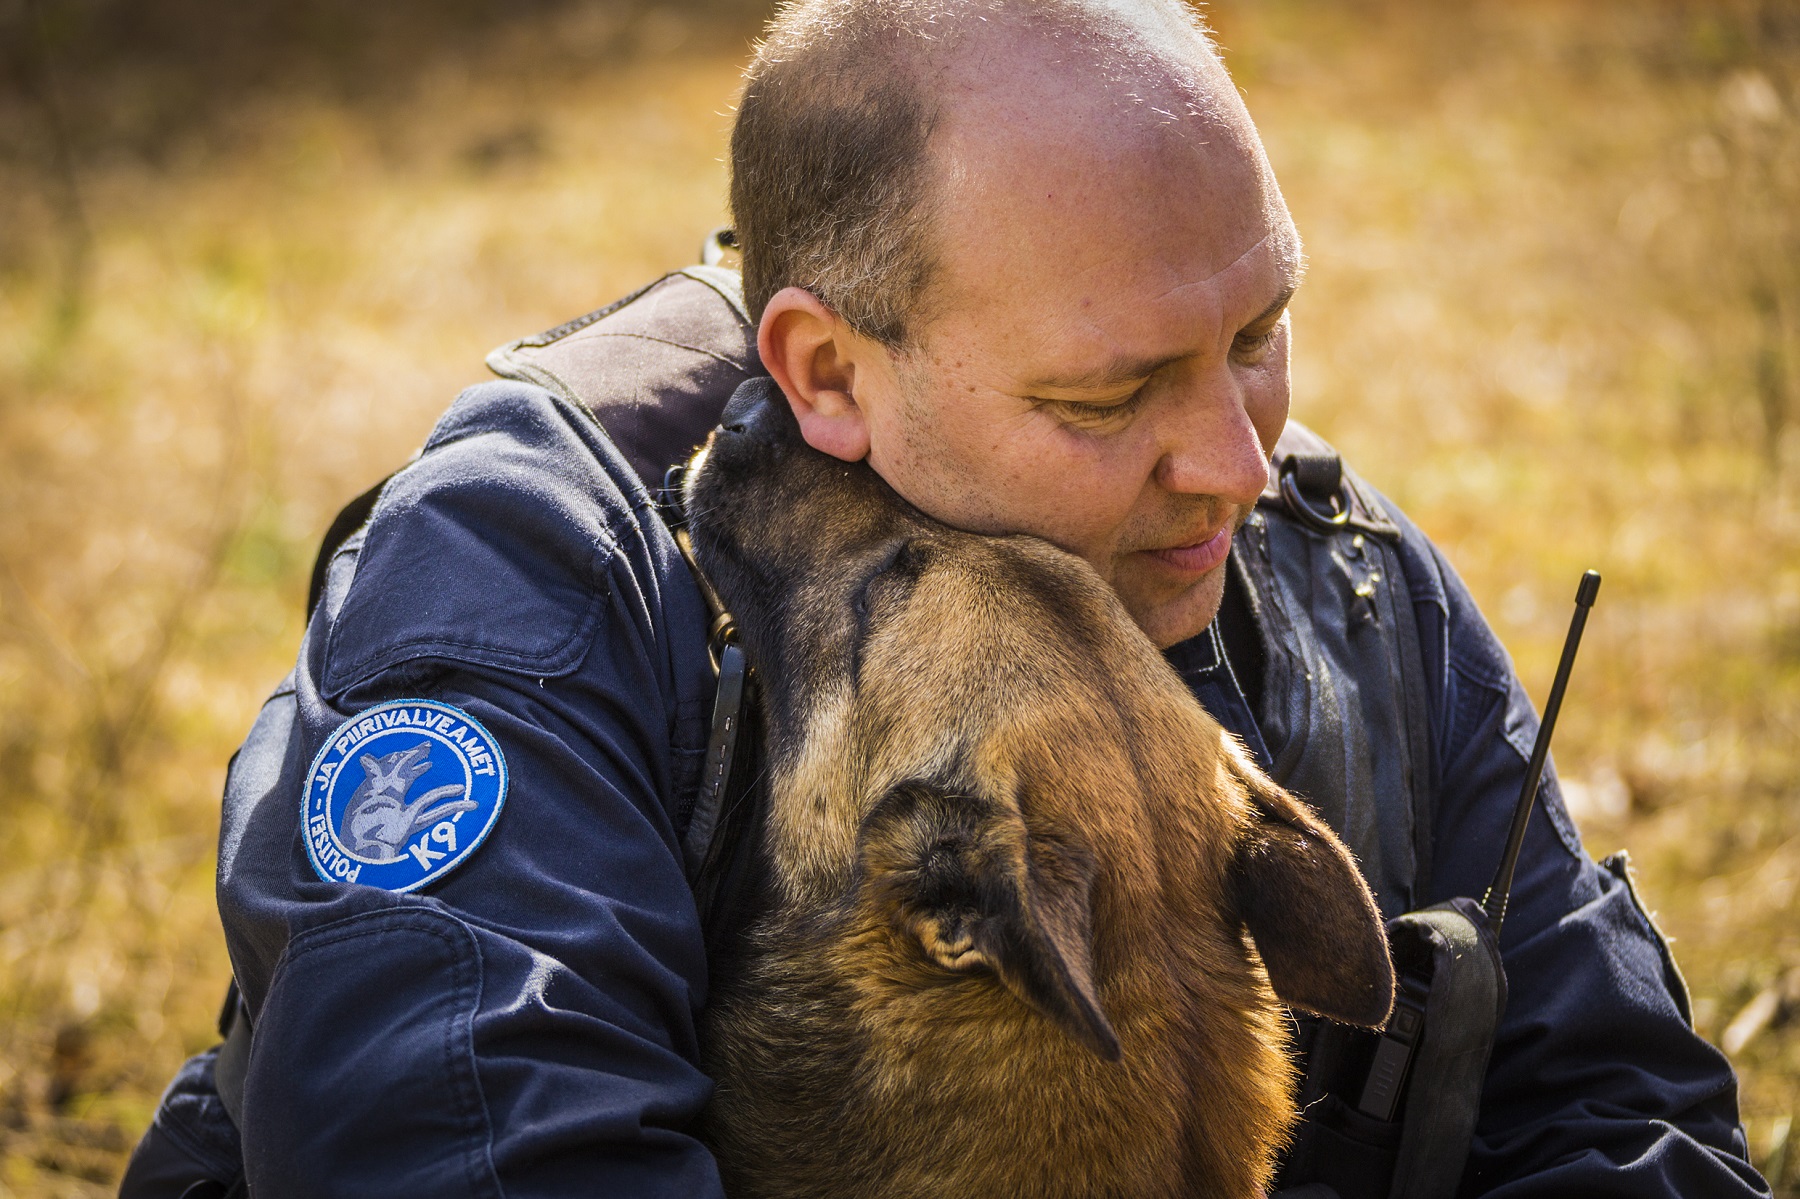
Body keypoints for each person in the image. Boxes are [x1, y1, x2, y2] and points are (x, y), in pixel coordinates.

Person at [122, 1, 1771, 1196]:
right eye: (1110, 395)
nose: (1236, 463)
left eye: (1258, 335)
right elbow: (462, 1144)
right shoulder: (536, 586)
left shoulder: (1336, 575)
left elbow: (1624, 1114)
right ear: (827, 371)